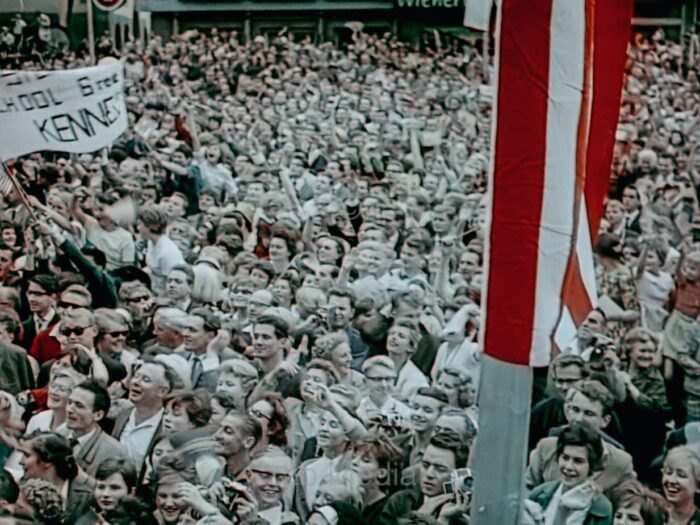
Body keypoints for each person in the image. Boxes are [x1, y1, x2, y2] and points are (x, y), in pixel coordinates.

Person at [527, 380, 635, 496]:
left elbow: (627, 503)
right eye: (576, 410)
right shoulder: (546, 448)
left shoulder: (621, 462)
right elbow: (526, 488)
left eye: (588, 413)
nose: (579, 419)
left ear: (605, 421)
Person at [527, 422, 613, 525]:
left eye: (578, 461)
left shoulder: (601, 509)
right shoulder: (540, 493)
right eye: (565, 458)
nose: (568, 467)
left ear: (591, 465)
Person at [379, 430, 470, 524]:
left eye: (440, 469)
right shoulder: (400, 502)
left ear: (458, 474)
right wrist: (421, 515)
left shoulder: (467, 512)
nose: (429, 474)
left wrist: (444, 520)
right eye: (425, 465)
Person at [18, 432, 93, 523]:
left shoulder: (85, 499)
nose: (21, 462)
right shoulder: (17, 492)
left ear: (47, 460)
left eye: (26, 455)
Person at [65, 379, 127, 478]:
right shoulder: (58, 435)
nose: (69, 409)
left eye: (79, 405)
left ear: (98, 415)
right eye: (69, 402)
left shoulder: (113, 451)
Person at [351, 433, 403, 524]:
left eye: (365, 460)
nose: (354, 462)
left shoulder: (385, 512)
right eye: (354, 457)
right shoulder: (345, 497)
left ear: (381, 473)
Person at [75, 458, 138, 525]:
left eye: (115, 488)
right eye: (101, 487)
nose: (105, 494)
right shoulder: (85, 514)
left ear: (132, 491)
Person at [661, 445, 700, 525]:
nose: (671, 480)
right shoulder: (652, 515)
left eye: (681, 475)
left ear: (698, 485)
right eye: (668, 472)